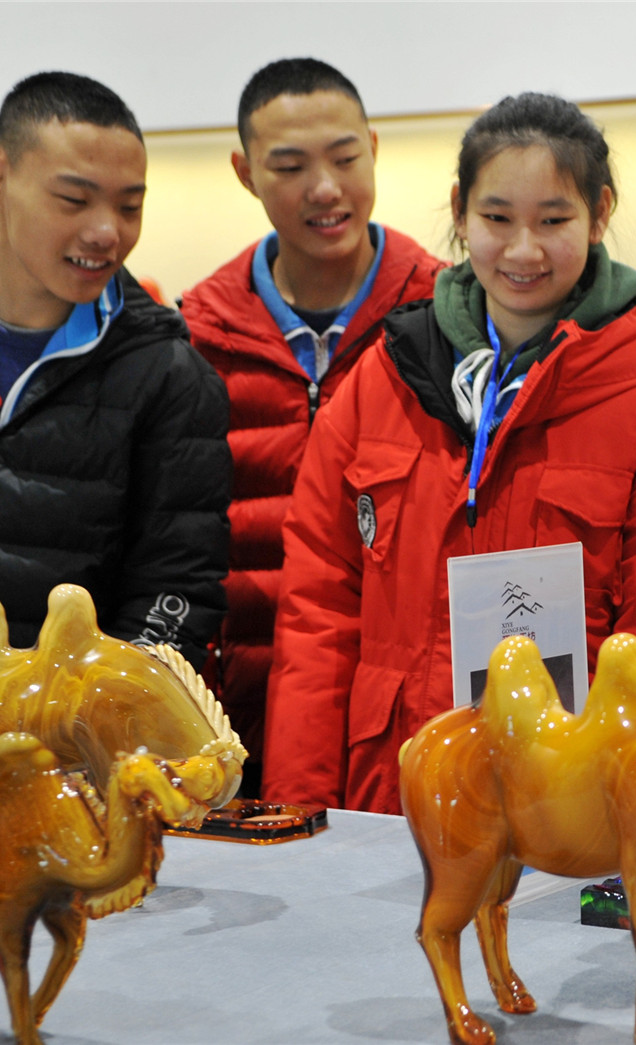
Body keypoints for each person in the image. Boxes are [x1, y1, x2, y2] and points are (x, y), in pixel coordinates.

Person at [263, 92, 636, 813]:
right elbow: (317, 616)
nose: (523, 250)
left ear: (600, 213)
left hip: (560, 811)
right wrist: (299, 816)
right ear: (460, 212)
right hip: (390, 799)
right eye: (497, 218)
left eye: (554, 220)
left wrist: (616, 817)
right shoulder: (380, 382)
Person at [0, 71, 229, 686]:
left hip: (71, 754)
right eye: (75, 200)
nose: (108, 231)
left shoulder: (167, 376)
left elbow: (176, 592)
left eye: (130, 206)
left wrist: (101, 712)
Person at [180, 59, 442, 795]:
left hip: (407, 740)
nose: (325, 189)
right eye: (290, 166)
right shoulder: (196, 338)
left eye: (345, 158)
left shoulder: (447, 324)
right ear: (244, 171)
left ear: (375, 149)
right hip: (233, 736)